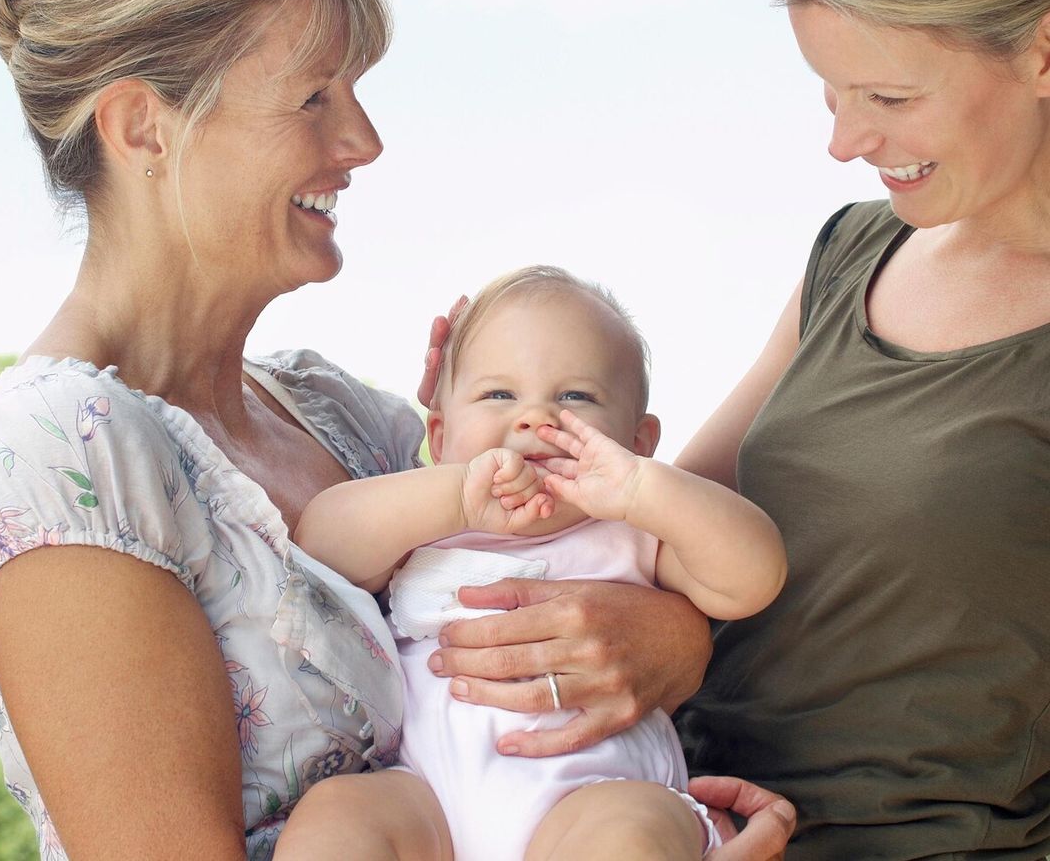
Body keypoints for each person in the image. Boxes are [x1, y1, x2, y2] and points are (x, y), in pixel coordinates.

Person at [0, 0, 794, 859]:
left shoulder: (344, 414)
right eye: (314, 98)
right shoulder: (63, 455)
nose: (363, 140)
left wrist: (667, 640)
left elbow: (590, 573)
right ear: (144, 127)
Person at [418, 0, 1050, 858]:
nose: (847, 141)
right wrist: (472, 434)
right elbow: (654, 517)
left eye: (889, 96)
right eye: (829, 92)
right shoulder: (853, 258)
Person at [282, 266, 786, 860]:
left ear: (639, 441)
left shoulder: (632, 533)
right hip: (428, 802)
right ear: (439, 436)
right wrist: (452, 497)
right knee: (339, 815)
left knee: (630, 833)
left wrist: (645, 492)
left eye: (577, 396)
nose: (534, 418)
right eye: (499, 394)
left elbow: (753, 577)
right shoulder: (425, 521)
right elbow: (321, 545)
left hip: (593, 797)